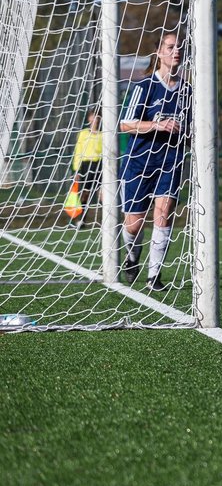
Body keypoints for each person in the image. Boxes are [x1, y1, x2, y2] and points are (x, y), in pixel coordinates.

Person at [119, 31, 191, 291]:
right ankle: (131, 255)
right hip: (139, 162)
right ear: (159, 52)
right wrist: (158, 124)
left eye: (179, 47)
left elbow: (193, 126)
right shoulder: (144, 87)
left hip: (170, 161)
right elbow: (126, 124)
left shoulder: (188, 91)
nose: (176, 51)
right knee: (134, 224)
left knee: (163, 217)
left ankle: (154, 277)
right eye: (171, 47)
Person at [69, 110, 103, 228]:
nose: (96, 120)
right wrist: (76, 170)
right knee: (85, 194)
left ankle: (106, 221)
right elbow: (78, 152)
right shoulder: (83, 134)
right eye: (94, 118)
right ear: (89, 119)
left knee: (103, 194)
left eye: (98, 118)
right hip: (86, 166)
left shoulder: (103, 135)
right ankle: (82, 220)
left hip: (99, 165)